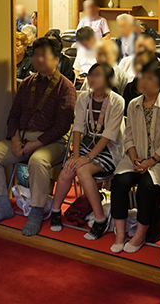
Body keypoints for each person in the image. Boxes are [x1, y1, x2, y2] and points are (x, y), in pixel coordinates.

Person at [0, 37, 76, 236]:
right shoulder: (26, 83)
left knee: (38, 161)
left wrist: (36, 144)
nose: (39, 59)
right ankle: (3, 205)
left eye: (44, 55)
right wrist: (15, 140)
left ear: (56, 59)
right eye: (36, 55)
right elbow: (14, 115)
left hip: (52, 141)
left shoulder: (65, 87)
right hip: (23, 137)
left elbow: (62, 126)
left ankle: (36, 212)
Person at [111, 59, 160, 254]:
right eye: (143, 76)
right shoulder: (133, 104)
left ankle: (140, 234)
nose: (143, 81)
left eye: (150, 78)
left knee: (147, 185)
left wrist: (150, 162)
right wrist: (135, 158)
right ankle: (120, 233)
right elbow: (129, 135)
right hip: (137, 157)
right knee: (119, 182)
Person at [51, 63, 125, 240]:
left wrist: (87, 158)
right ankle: (55, 211)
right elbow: (77, 128)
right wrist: (76, 155)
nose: (92, 79)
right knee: (68, 169)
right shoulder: (84, 98)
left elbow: (109, 135)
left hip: (108, 149)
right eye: (91, 75)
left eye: (97, 75)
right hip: (86, 146)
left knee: (83, 171)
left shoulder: (117, 101)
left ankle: (100, 219)